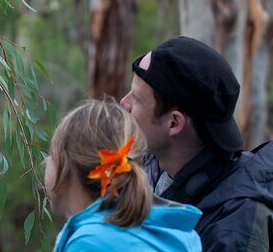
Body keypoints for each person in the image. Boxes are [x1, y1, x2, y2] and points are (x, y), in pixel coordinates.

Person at [121, 36, 273, 251]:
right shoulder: (160, 174)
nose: (123, 103)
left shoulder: (232, 233)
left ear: (174, 123)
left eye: (136, 98)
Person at [46, 99, 202, 251]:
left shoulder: (88, 243)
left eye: (52, 153)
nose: (46, 162)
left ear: (69, 165)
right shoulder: (174, 236)